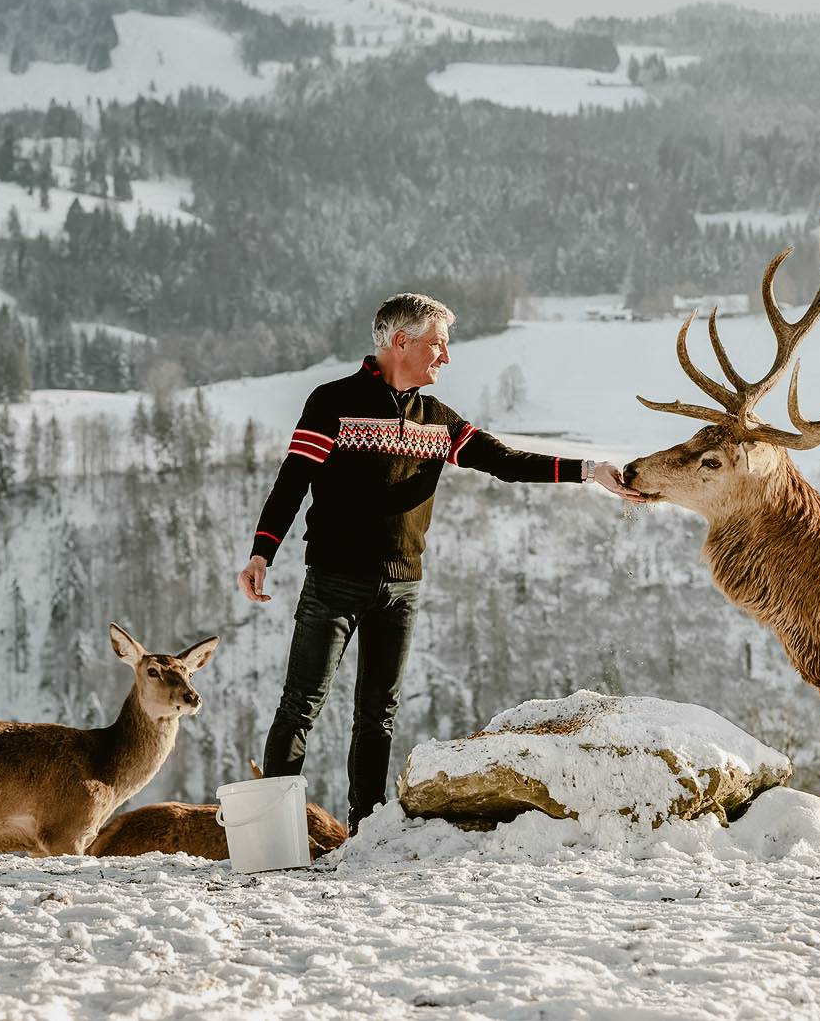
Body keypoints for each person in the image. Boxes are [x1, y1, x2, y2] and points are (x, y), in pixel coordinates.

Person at [237, 293, 643, 832]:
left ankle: (365, 831)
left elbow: (505, 462)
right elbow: (292, 483)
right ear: (399, 343)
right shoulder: (331, 402)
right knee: (300, 708)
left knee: (377, 717)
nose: (445, 358)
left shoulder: (438, 420)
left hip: (403, 586)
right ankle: (270, 837)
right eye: (437, 345)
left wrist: (589, 471)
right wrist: (263, 551)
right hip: (333, 581)